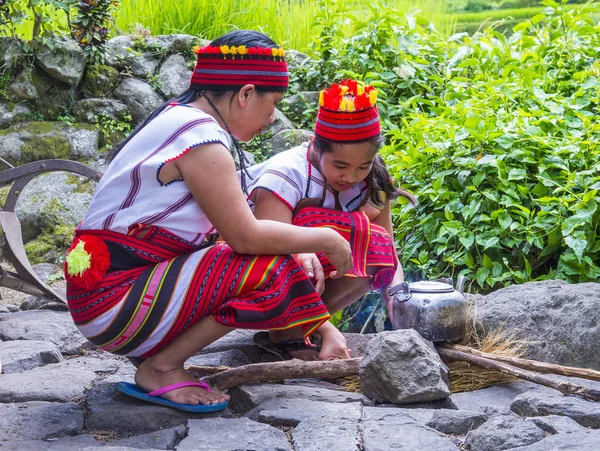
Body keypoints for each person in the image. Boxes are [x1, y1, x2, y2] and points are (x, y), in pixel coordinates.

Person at [63, 30, 354, 412]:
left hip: (108, 296)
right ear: (246, 94)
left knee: (283, 255)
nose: (272, 118)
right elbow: (246, 238)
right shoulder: (199, 137)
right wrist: (327, 239)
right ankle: (161, 367)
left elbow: (239, 232)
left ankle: (161, 354)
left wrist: (308, 264)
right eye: (273, 104)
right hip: (111, 304)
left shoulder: (180, 120)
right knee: (268, 264)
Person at [245, 79, 415, 360]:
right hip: (258, 272)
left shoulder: (373, 178)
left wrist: (396, 296)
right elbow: (268, 250)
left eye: (363, 166)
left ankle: (301, 327)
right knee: (305, 236)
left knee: (374, 244)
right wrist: (327, 329)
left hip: (302, 287)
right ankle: (288, 328)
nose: (351, 177)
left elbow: (387, 249)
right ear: (315, 146)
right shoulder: (285, 174)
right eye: (340, 165)